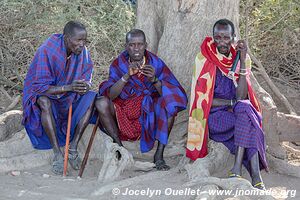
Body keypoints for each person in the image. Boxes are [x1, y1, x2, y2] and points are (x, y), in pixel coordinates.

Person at [186, 19, 268, 190]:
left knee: (246, 108)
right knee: (249, 120)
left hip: (237, 112)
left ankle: (239, 169)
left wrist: (243, 60)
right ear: (213, 37)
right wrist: (232, 102)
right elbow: (203, 100)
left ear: (233, 38)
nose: (222, 42)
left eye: (226, 38)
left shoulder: (238, 59)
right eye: (218, 37)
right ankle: (254, 174)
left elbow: (242, 95)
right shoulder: (203, 59)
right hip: (215, 116)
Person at [95, 29, 187, 170]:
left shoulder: (155, 63)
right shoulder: (118, 64)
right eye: (132, 45)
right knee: (101, 102)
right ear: (126, 46)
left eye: (140, 44)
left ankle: (159, 155)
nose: (136, 49)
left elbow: (173, 92)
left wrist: (154, 80)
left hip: (148, 111)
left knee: (169, 104)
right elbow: (110, 95)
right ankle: (120, 148)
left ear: (146, 45)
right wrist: (126, 76)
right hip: (124, 109)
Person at [22, 21, 96, 175]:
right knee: (43, 101)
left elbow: (87, 75)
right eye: (78, 40)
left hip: (68, 96)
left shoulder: (82, 51)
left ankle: (73, 146)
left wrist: (85, 86)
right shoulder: (48, 50)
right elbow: (40, 88)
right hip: (47, 95)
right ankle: (57, 152)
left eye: (84, 40)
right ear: (67, 38)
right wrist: (69, 87)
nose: (82, 44)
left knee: (92, 97)